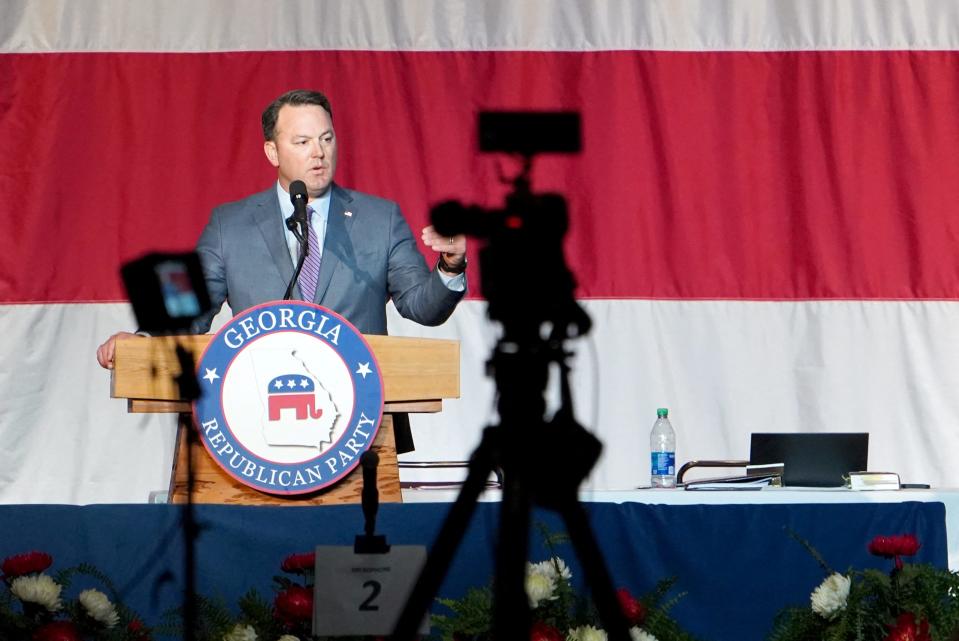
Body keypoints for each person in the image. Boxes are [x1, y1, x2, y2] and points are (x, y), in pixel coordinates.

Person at [96, 89, 467, 451]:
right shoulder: (230, 224)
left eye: (326, 138)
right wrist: (142, 340)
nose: (319, 153)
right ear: (272, 151)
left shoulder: (379, 218)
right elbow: (189, 308)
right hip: (257, 421)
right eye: (302, 142)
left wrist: (451, 265)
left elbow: (422, 306)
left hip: (361, 423)